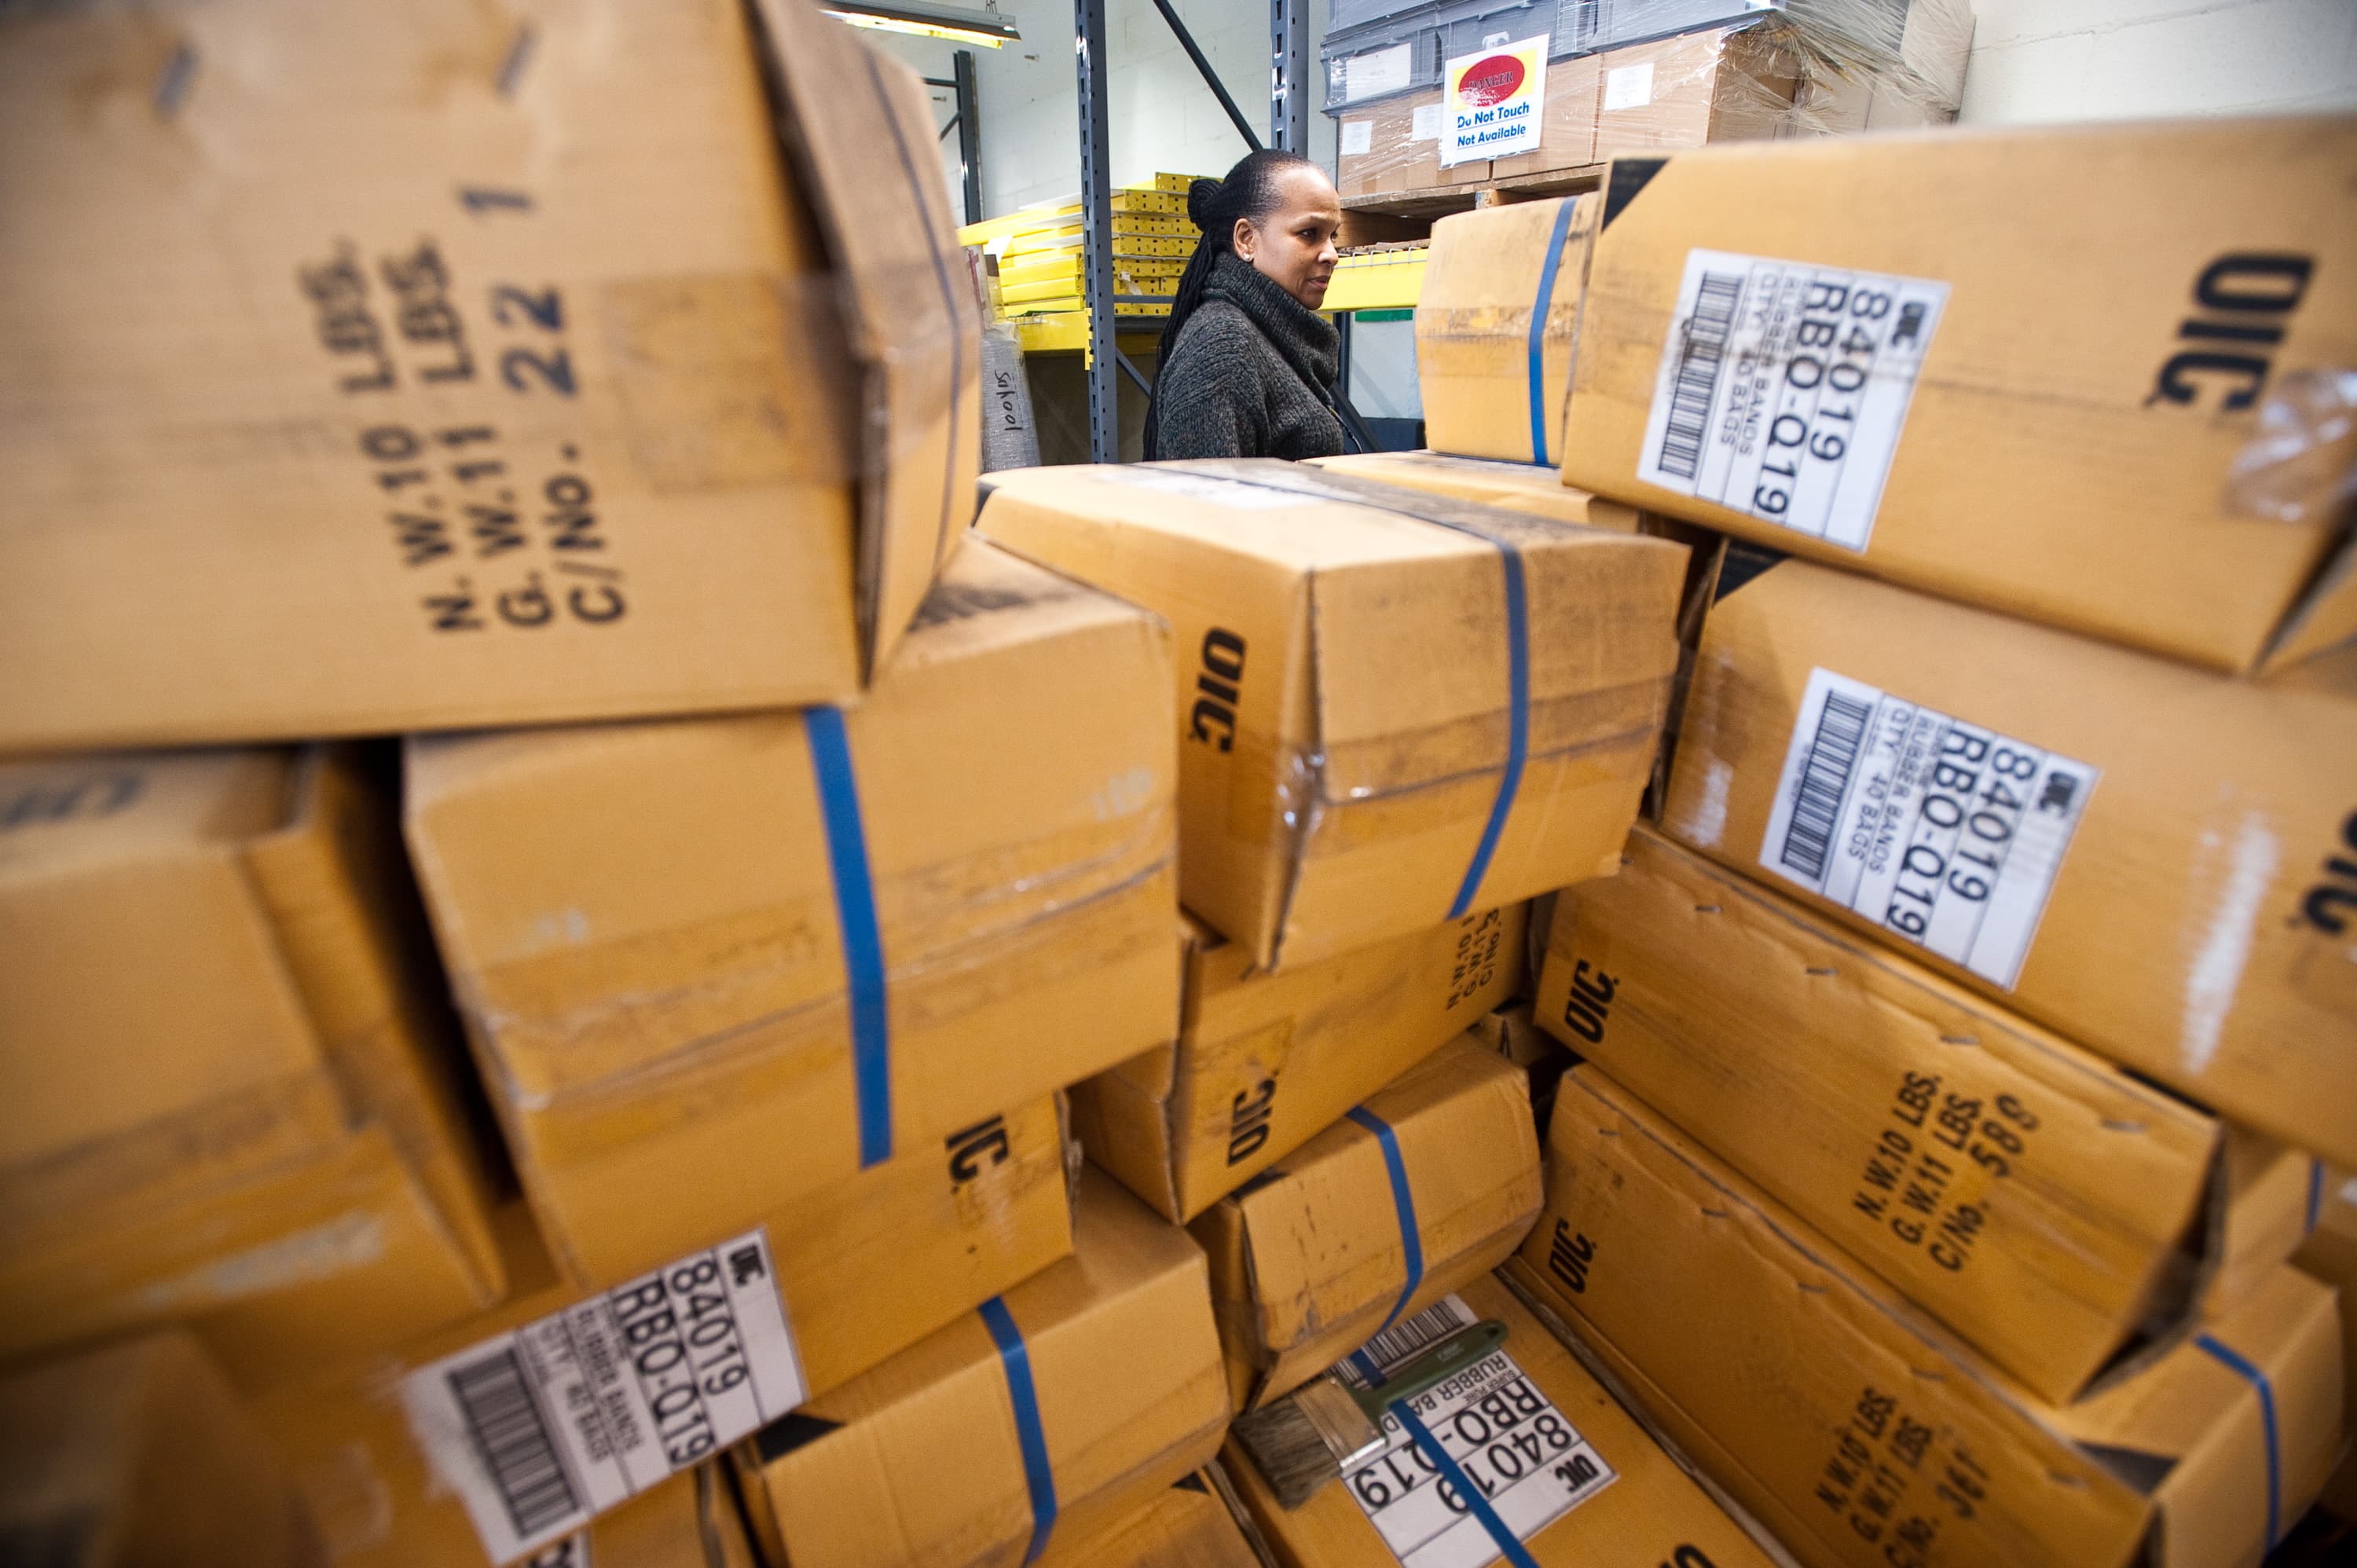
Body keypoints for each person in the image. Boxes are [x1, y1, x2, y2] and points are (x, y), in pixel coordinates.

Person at [1144, 149, 1347, 461]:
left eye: (1333, 235)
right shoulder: (1222, 348)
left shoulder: (1273, 339)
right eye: (1309, 233)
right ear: (1247, 239)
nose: (1331, 254)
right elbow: (1207, 505)